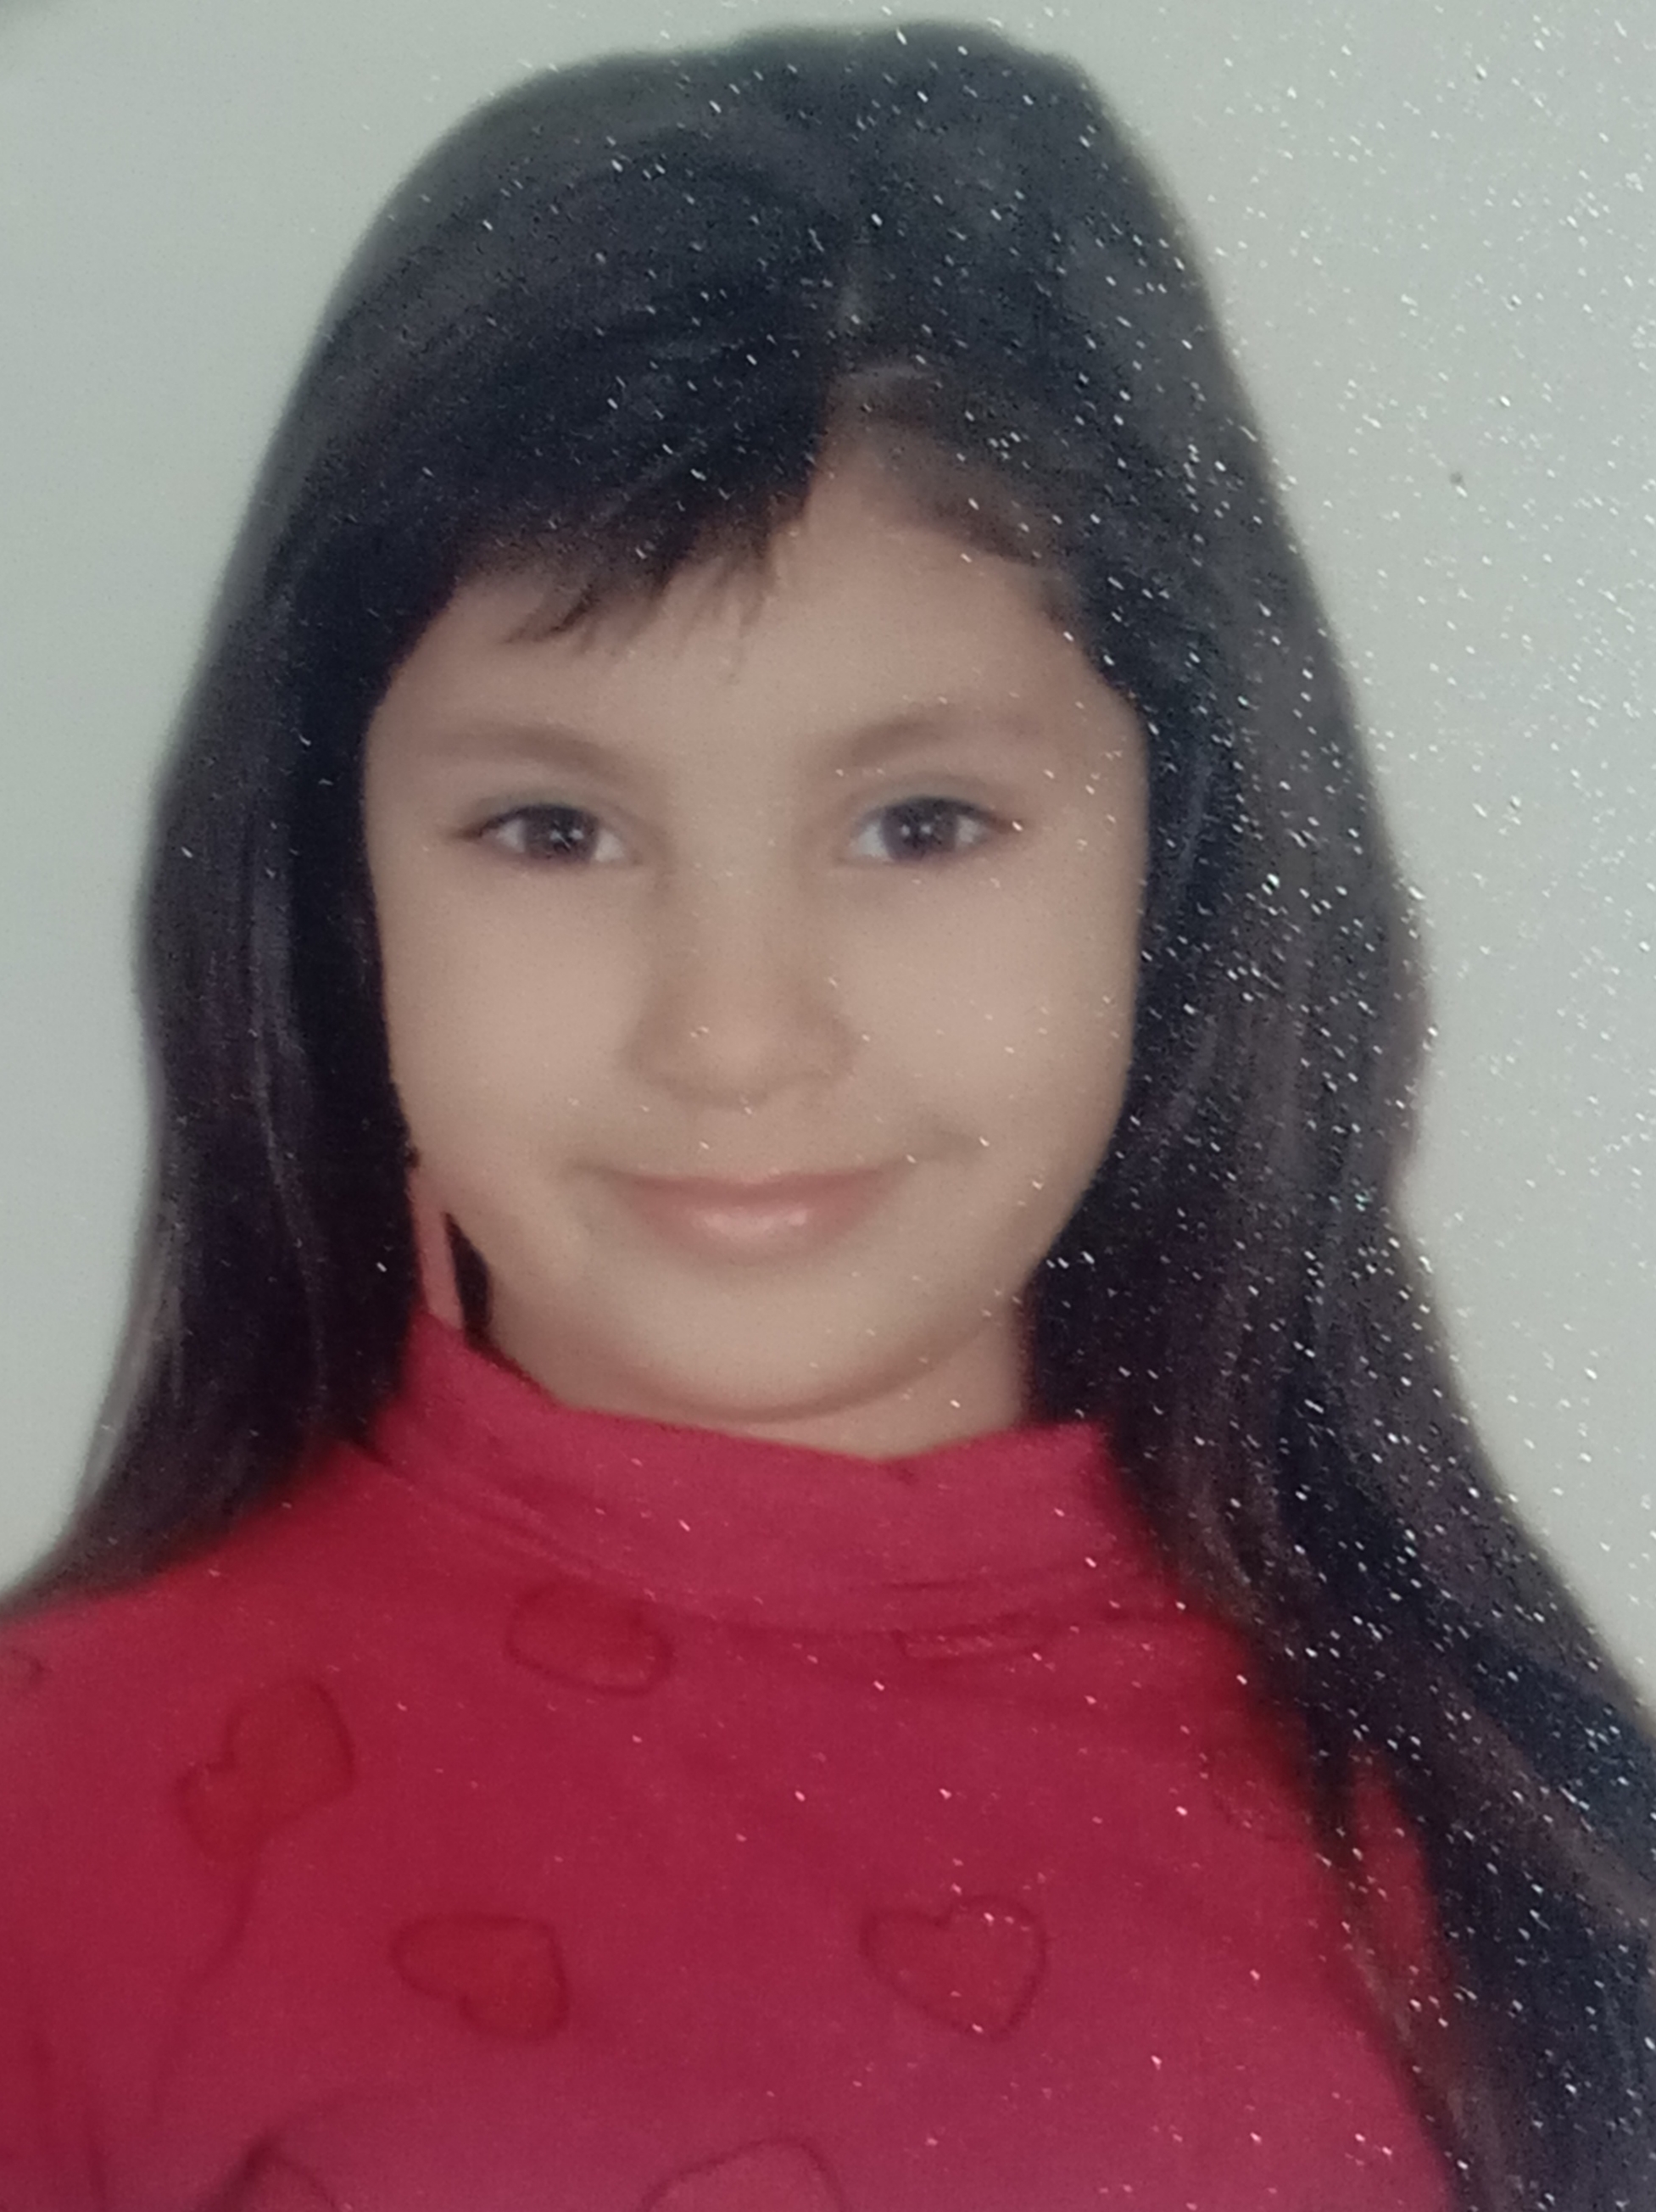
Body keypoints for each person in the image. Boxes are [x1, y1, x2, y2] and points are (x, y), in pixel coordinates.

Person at [0, 22, 1650, 2212]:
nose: (734, 1036)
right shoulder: (56, 1831)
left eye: (921, 823)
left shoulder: (1490, 1824)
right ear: (336, 888)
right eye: (554, 829)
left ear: (1181, 861)